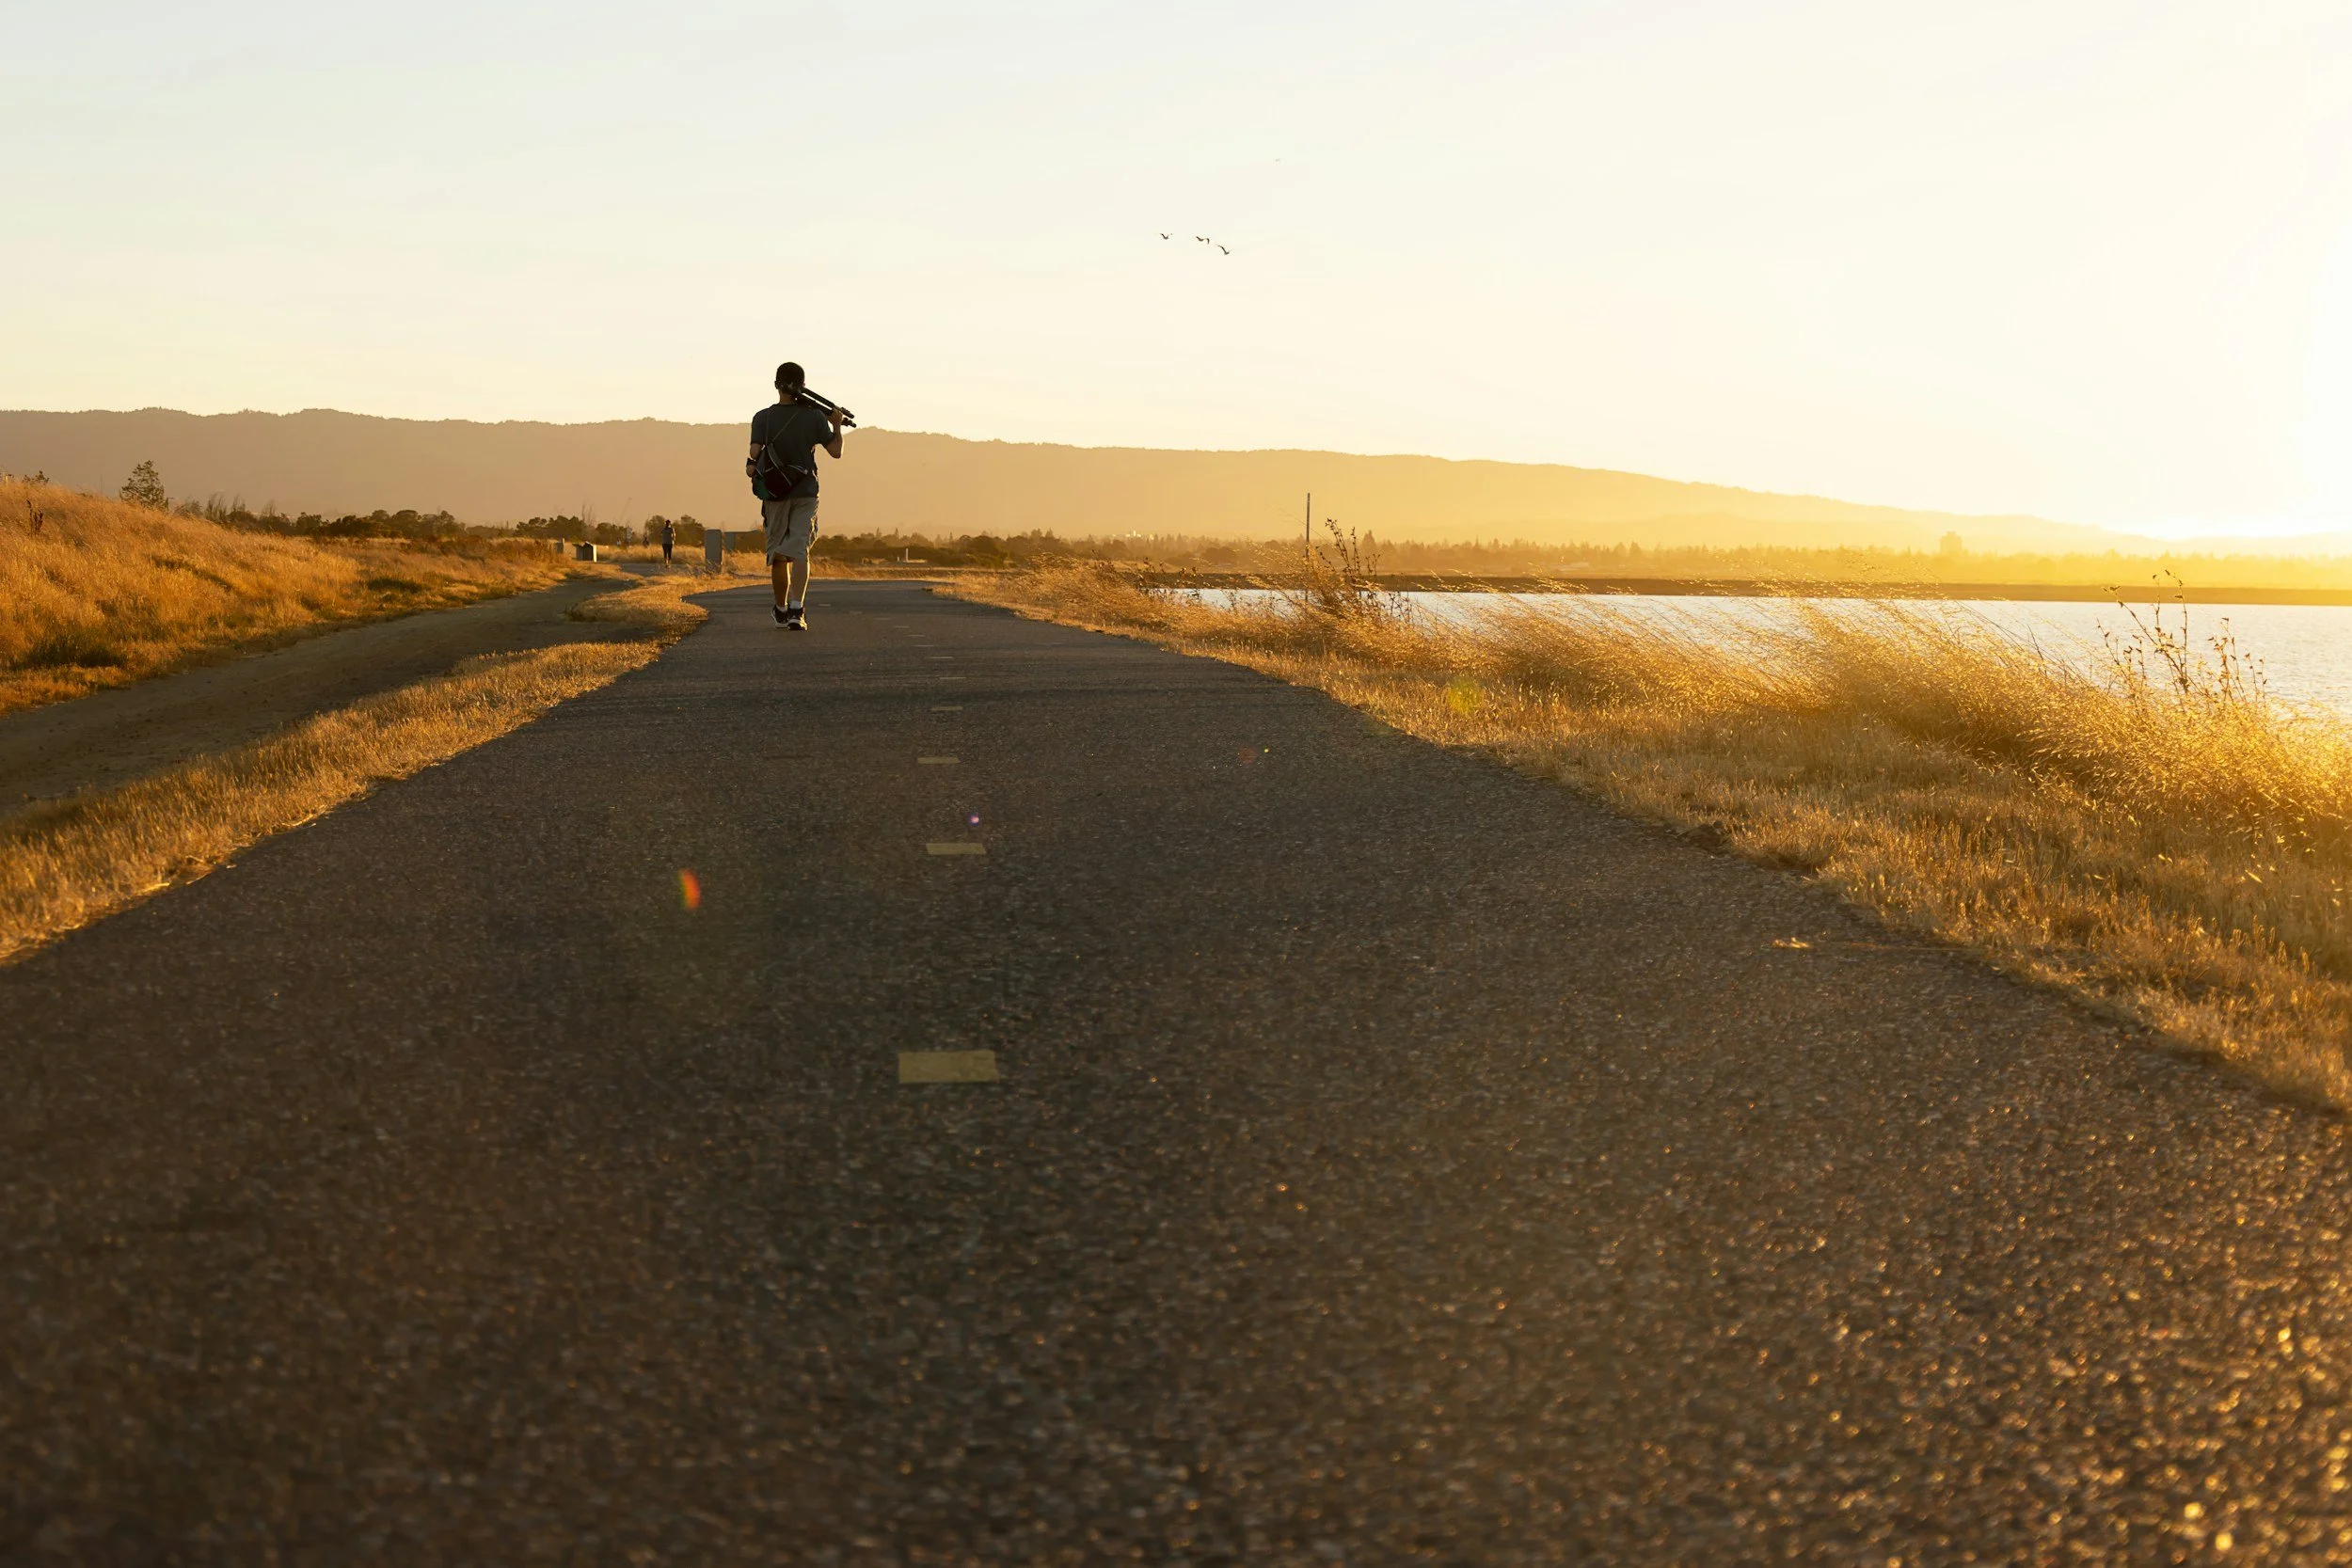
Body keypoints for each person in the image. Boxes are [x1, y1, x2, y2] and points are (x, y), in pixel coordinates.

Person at [747, 362, 845, 629]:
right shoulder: (814, 417)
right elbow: (836, 451)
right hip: (805, 491)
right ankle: (796, 609)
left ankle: (780, 609)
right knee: (800, 550)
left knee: (779, 554)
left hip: (775, 493)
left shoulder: (762, 417)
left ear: (776, 385)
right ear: (803, 386)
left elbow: (754, 454)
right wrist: (836, 425)